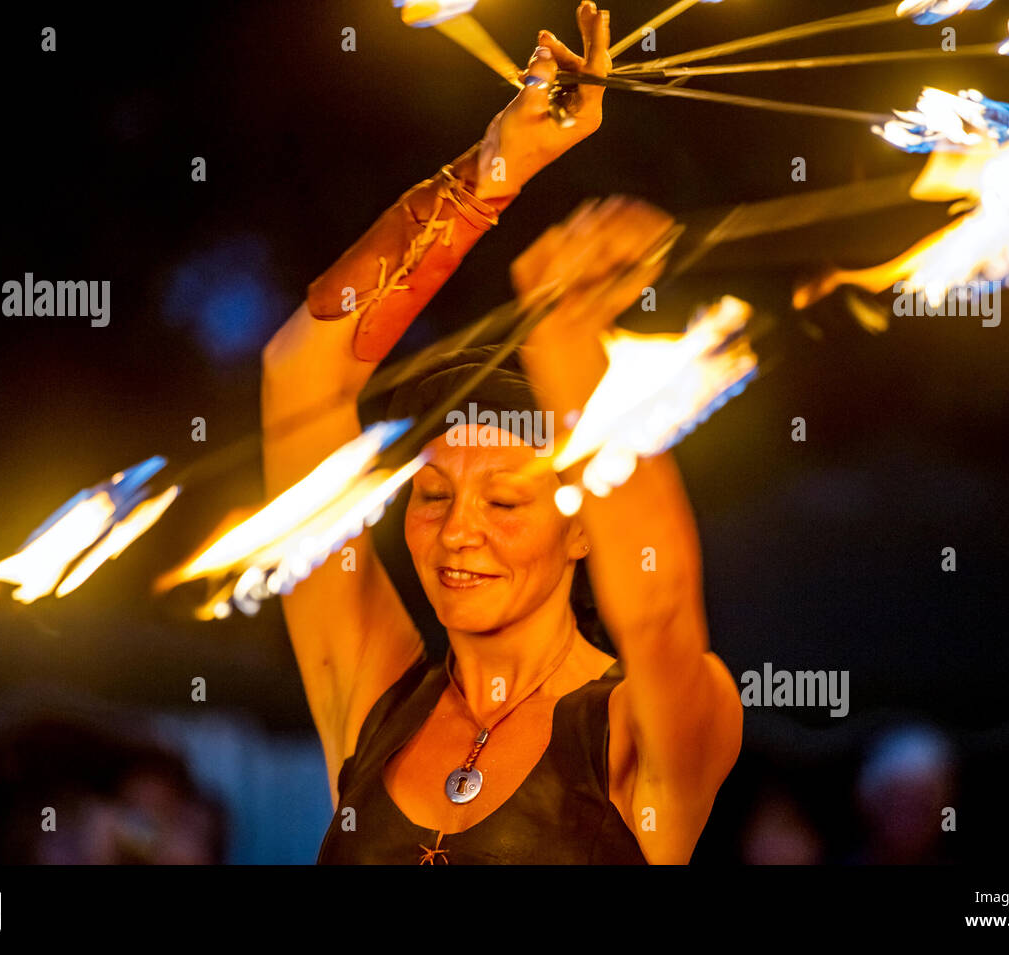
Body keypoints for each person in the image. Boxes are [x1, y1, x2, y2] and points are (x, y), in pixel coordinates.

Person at [261, 1, 741, 864]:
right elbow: (301, 374)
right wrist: (495, 167)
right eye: (433, 493)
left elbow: (661, 601)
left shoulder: (641, 727)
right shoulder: (375, 695)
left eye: (507, 498)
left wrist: (567, 348)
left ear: (583, 524)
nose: (456, 531)